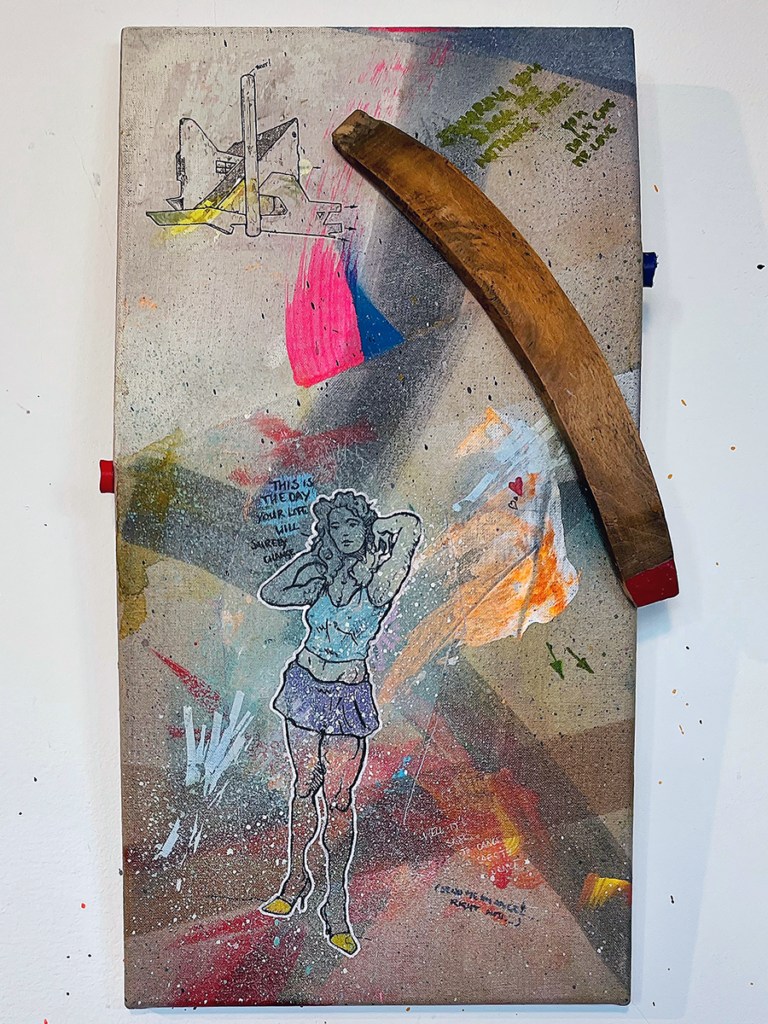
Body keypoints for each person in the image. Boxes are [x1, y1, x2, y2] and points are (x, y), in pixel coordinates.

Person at [258, 489, 421, 955]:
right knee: (304, 785)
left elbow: (409, 527)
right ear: (326, 534)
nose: (344, 534)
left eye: (353, 525)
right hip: (305, 685)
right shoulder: (321, 577)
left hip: (347, 695)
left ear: (366, 529)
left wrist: (369, 535)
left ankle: (335, 905)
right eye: (335, 527)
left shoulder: (380, 582)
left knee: (339, 799)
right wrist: (319, 558)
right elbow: (271, 592)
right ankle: (295, 881)